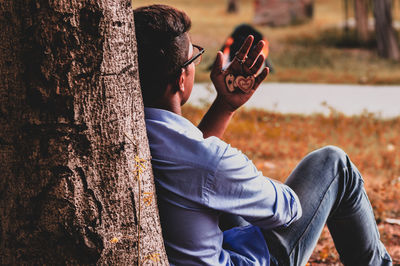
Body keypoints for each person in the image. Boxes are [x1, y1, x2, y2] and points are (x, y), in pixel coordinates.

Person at [133, 4, 392, 266]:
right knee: (335, 164)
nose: (196, 63)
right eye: (194, 57)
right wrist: (244, 181)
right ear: (181, 78)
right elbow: (287, 210)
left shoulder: (135, 137)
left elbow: (192, 168)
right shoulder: (212, 162)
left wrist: (224, 106)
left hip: (195, 246)